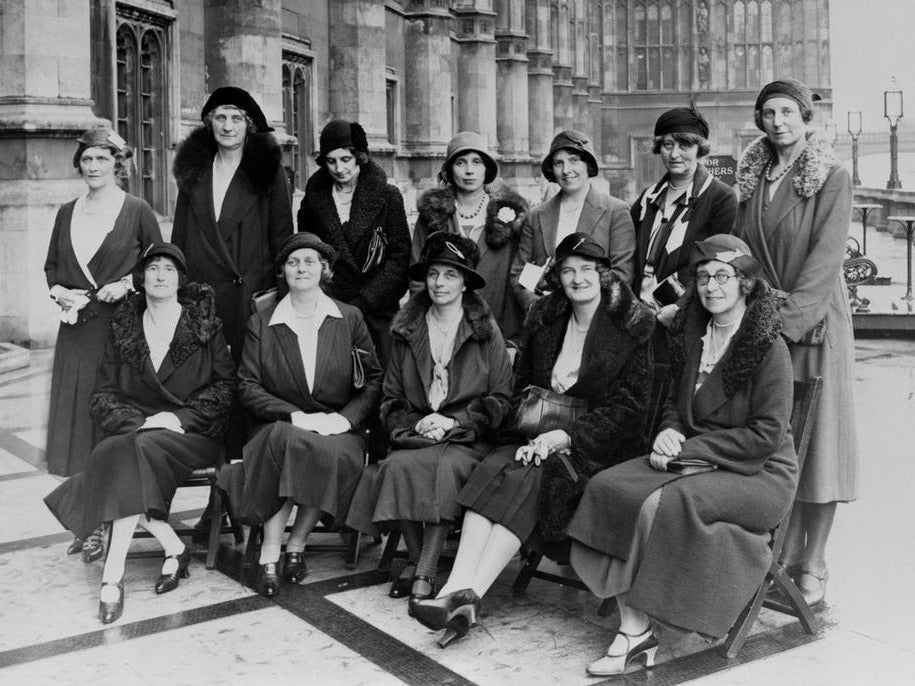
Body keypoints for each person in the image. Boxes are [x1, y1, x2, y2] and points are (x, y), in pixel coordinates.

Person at [565, 235, 796, 676]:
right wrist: (670, 429)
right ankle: (636, 629)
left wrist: (691, 448)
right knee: (607, 487)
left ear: (746, 283)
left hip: (757, 473)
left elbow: (765, 436)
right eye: (704, 277)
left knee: (660, 503)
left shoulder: (768, 346)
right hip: (696, 457)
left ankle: (635, 633)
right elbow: (677, 401)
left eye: (724, 276)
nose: (711, 286)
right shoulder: (694, 335)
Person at [411, 232, 654, 646]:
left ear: (604, 275)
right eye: (567, 271)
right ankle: (457, 590)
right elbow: (522, 387)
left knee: (531, 476)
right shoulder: (545, 319)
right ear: (556, 276)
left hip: (597, 446)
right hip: (536, 434)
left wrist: (569, 436)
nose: (577, 279)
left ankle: (469, 594)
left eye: (586, 270)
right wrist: (476, 423)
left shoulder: (629, 328)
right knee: (496, 464)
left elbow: (629, 408)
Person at [44, 243, 236, 625]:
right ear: (140, 278)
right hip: (138, 428)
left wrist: (178, 418)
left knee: (117, 457)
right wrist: (138, 422)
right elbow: (102, 396)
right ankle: (171, 548)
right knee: (119, 452)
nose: (160, 275)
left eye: (169, 269)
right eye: (152, 269)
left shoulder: (204, 325)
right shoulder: (125, 327)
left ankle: (112, 578)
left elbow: (225, 388)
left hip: (191, 432)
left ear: (181, 279)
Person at [732, 78, 857, 607]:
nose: (777, 121)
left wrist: (784, 326)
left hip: (814, 322)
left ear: (807, 119)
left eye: (787, 112)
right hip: (766, 320)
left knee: (819, 445)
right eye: (768, 112)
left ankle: (814, 561)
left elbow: (826, 261)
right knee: (778, 438)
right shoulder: (754, 177)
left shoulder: (831, 175)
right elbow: (744, 250)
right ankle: (779, 553)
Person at [346, 233, 513, 609]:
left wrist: (456, 424)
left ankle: (421, 568)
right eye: (434, 274)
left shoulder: (486, 331)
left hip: (468, 437)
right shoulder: (406, 330)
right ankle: (422, 560)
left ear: (466, 282)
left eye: (451, 275)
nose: (440, 283)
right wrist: (415, 423)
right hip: (418, 431)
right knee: (397, 467)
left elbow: (501, 397)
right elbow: (391, 396)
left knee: (445, 467)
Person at [220, 233, 382, 597]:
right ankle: (272, 551)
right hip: (280, 423)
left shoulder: (349, 318)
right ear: (283, 272)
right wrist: (293, 416)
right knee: (290, 444)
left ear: (324, 270)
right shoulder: (262, 322)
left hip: (337, 425)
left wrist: (345, 420)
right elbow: (247, 385)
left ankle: (296, 542)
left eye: (310, 261)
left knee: (334, 453)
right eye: (293, 262)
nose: (301, 268)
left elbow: (373, 379)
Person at [44, 123, 162, 561]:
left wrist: (129, 283)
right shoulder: (66, 212)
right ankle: (89, 522)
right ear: (79, 165)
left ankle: (114, 517)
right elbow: (52, 268)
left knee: (109, 425)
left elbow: (163, 265)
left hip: (120, 334)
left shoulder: (136, 210)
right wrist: (60, 291)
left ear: (118, 163)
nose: (94, 166)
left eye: (102, 158)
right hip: (77, 333)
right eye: (87, 159)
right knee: (77, 425)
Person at [172, 86, 293, 362]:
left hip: (249, 298)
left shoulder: (268, 173)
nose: (228, 127)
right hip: (201, 297)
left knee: (246, 379)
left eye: (236, 118)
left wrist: (280, 297)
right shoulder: (195, 170)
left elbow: (282, 239)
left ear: (248, 125)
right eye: (221, 118)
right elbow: (179, 237)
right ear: (210, 123)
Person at [297, 119, 411, 367]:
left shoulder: (387, 196)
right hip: (330, 309)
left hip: (378, 312)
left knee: (379, 381)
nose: (339, 168)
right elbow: (307, 253)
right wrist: (331, 298)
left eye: (346, 160)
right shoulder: (314, 200)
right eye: (331, 161)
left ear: (359, 157)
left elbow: (400, 258)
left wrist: (366, 300)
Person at [410, 131, 529, 343]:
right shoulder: (432, 215)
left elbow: (516, 280)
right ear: (449, 170)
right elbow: (417, 277)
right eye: (461, 163)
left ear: (487, 169)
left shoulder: (509, 216)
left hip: (495, 328)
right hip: (441, 327)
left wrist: (512, 339)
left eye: (476, 162)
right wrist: (422, 328)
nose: (469, 171)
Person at [631, 107, 737, 335]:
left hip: (686, 318)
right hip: (640, 318)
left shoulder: (720, 198)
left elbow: (720, 266)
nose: (675, 154)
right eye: (668, 145)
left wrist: (681, 308)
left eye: (685, 145)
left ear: (700, 149)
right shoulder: (647, 198)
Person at [510, 130, 635, 312]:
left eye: (574, 160)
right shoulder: (537, 216)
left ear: (588, 164)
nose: (566, 170)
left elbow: (622, 275)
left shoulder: (616, 212)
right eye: (558, 163)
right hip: (546, 319)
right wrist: (538, 307)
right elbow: (519, 275)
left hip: (596, 318)